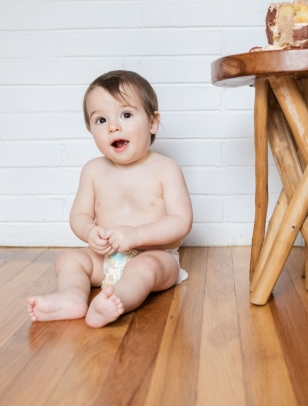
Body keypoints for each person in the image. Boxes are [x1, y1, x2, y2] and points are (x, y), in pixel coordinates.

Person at [27, 70, 193, 328]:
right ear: (90, 129)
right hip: (105, 257)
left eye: (126, 115)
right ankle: (71, 297)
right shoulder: (93, 170)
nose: (113, 126)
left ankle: (117, 300)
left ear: (152, 122)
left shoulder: (165, 169)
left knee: (145, 268)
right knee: (68, 261)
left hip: (157, 256)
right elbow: (79, 215)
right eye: (101, 120)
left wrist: (136, 235)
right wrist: (90, 231)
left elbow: (181, 222)